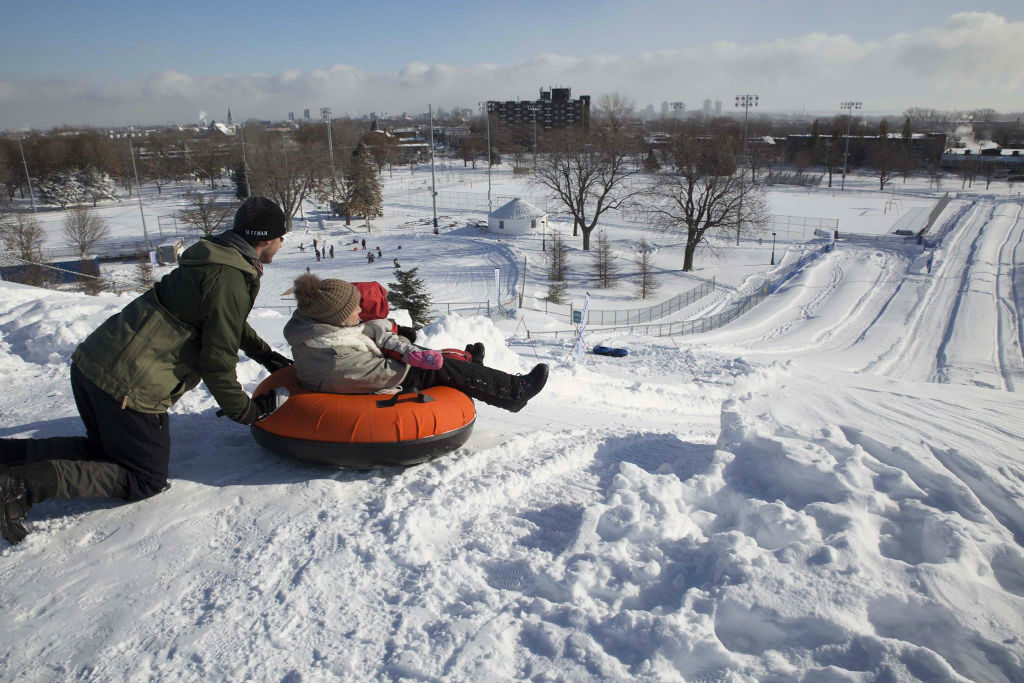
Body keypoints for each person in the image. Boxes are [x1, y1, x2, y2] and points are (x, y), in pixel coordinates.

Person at [0, 196, 292, 545]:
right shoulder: (229, 277)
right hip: (130, 385)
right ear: (265, 240)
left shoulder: (216, 258)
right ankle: (19, 488)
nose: (282, 242)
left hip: (93, 363)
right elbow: (217, 359)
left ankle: (8, 457)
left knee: (105, 454)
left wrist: (266, 355)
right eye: (280, 236)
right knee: (143, 479)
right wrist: (247, 412)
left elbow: (225, 322)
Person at [283, 275, 547, 413]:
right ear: (338, 318)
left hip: (366, 369)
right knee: (435, 367)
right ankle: (513, 392)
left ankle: (471, 369)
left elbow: (361, 333)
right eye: (355, 309)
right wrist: (406, 354)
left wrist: (395, 337)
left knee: (422, 353)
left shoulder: (321, 329)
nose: (359, 314)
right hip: (375, 383)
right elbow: (384, 373)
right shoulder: (333, 359)